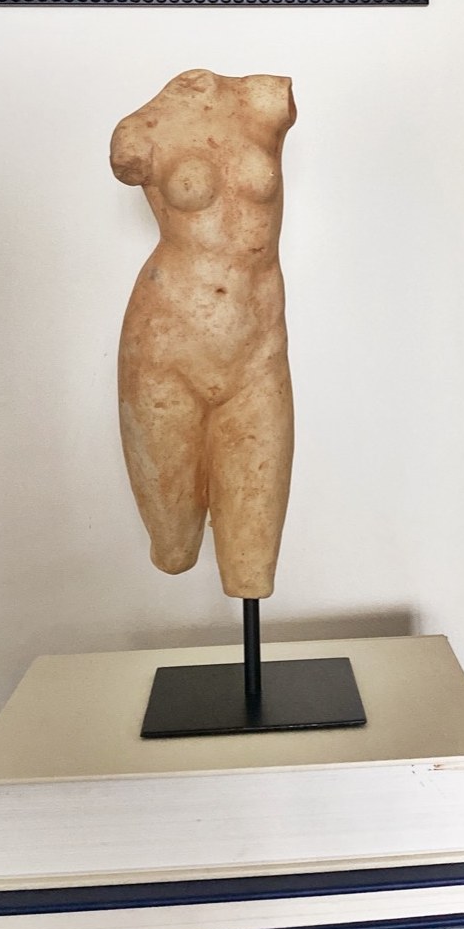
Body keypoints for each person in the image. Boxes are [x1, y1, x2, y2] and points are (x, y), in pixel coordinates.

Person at [110, 69, 297, 598]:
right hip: (168, 343)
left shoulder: (265, 100)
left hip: (258, 350)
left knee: (253, 568)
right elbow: (126, 163)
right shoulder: (139, 130)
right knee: (173, 548)